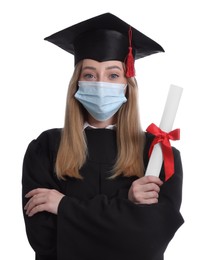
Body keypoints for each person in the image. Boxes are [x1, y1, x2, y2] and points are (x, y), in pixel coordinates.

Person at [22, 13, 184, 260]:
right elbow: (43, 241)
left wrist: (64, 207)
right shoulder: (46, 147)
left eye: (113, 75)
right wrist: (127, 207)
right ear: (77, 83)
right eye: (89, 75)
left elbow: (149, 243)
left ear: (127, 84)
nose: (100, 84)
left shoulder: (157, 153)